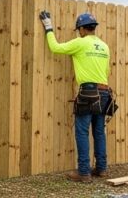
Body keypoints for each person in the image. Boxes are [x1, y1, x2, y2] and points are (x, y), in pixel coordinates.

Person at [39, 9, 114, 182]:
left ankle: (84, 173)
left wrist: (48, 27)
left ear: (81, 29)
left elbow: (55, 47)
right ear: (93, 27)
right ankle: (101, 169)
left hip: (88, 91)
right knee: (99, 132)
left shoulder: (80, 43)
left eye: (78, 30)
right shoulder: (104, 46)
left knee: (81, 131)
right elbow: (106, 71)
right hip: (104, 91)